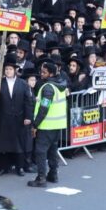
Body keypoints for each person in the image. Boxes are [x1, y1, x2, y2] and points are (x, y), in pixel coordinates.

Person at [29, 59, 67, 187]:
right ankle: (53, 174)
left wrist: (35, 124)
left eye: (44, 72)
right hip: (57, 124)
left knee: (41, 151)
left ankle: (41, 178)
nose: (41, 74)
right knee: (52, 150)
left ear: (50, 74)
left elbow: (44, 108)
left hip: (46, 125)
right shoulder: (60, 84)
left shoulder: (48, 88)